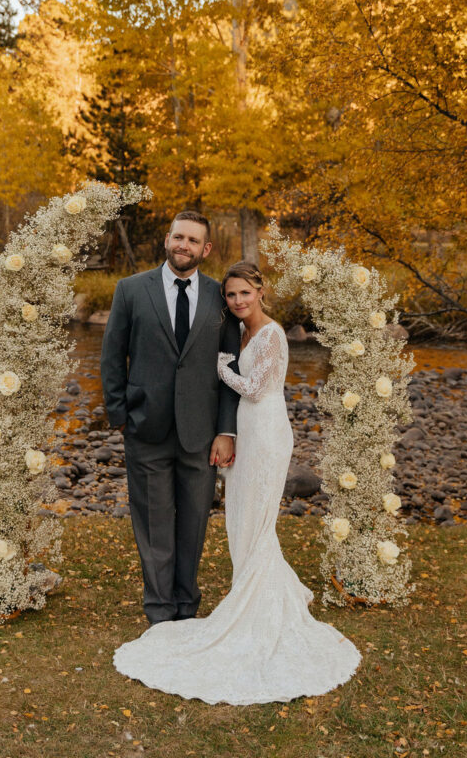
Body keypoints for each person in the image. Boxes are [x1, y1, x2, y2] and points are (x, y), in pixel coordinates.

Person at [113, 261, 362, 705]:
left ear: (260, 291)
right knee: (241, 520)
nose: (237, 301)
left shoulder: (272, 334)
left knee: (256, 522)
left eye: (244, 293)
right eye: (230, 295)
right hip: (244, 433)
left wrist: (217, 366)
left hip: (264, 434)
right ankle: (255, 593)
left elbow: (255, 388)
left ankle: (258, 611)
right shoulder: (243, 332)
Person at [101, 211, 240, 624]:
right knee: (153, 522)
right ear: (167, 239)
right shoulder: (130, 290)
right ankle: (160, 611)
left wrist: (226, 430)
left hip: (201, 433)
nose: (184, 246)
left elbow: (230, 368)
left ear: (206, 249)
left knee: (194, 523)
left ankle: (186, 605)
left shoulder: (221, 296)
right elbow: (112, 356)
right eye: (179, 237)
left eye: (193, 241)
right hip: (146, 427)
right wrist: (119, 415)